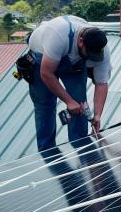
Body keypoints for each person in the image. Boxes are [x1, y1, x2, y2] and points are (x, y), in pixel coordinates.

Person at [27, 15, 111, 153]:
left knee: (80, 105)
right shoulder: (58, 35)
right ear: (81, 41)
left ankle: (81, 150)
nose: (91, 57)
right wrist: (68, 101)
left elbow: (101, 84)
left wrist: (97, 115)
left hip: (74, 60)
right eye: (89, 53)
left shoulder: (101, 48)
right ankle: (47, 153)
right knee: (45, 105)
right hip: (42, 56)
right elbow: (46, 74)